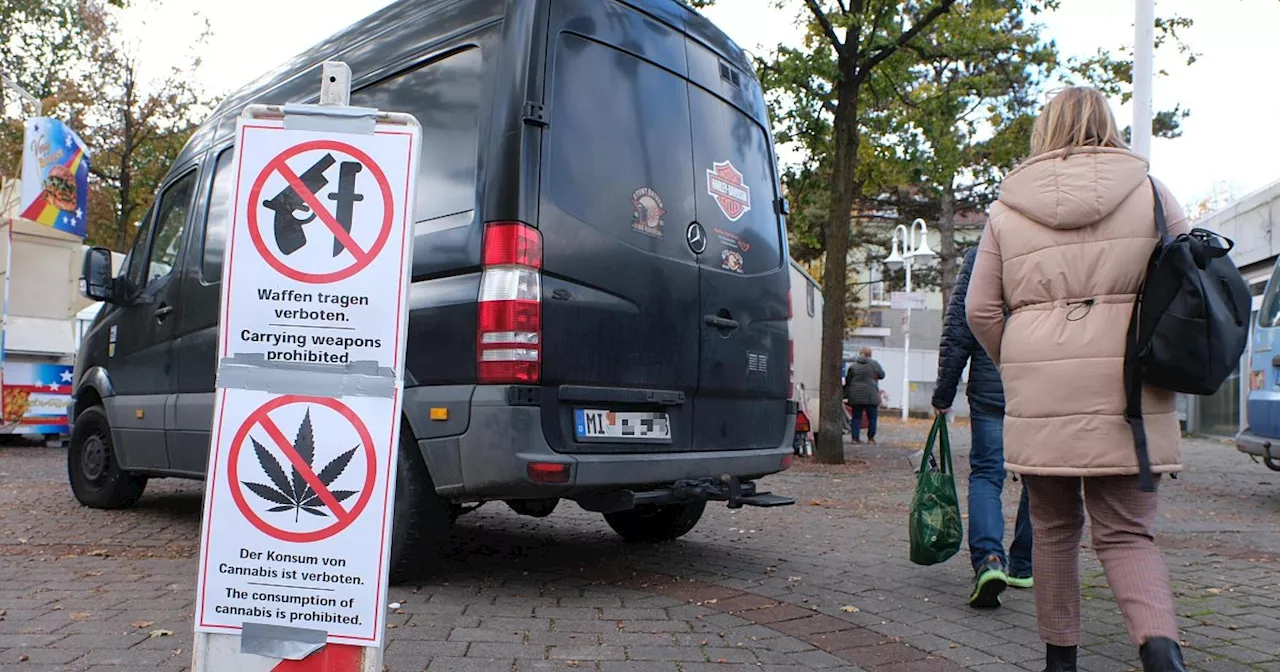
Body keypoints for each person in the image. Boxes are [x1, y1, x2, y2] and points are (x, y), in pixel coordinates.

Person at [966, 86, 1188, 672]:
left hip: (1042, 391)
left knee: (1055, 528)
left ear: (1046, 129)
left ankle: (1060, 663)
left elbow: (980, 311)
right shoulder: (1153, 195)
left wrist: (1021, 363)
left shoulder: (1007, 207)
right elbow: (1187, 294)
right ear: (1108, 124)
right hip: (1130, 392)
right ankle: (1162, 653)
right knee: (1126, 534)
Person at [932, 246, 1033, 609]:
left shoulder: (989, 250)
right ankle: (1023, 565)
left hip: (992, 387)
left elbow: (961, 324)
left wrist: (944, 393)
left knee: (987, 474)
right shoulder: (1060, 247)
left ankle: (990, 561)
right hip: (1045, 386)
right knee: (1038, 475)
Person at [843, 348, 884, 444]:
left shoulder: (853, 366)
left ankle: (855, 438)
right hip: (871, 395)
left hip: (856, 395)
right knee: (872, 418)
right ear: (870, 355)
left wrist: (846, 394)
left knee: (856, 417)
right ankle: (871, 438)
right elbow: (882, 375)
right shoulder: (874, 364)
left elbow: (848, 381)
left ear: (860, 354)